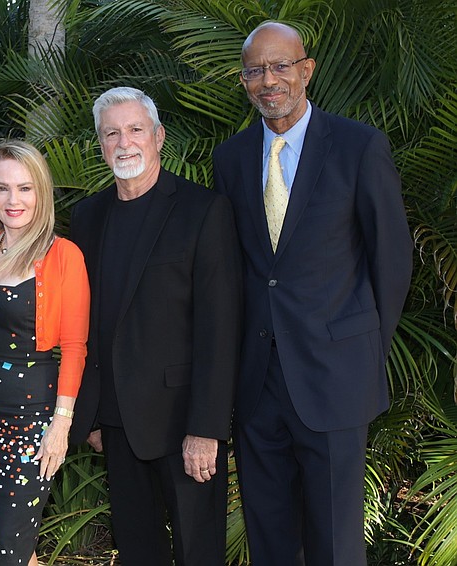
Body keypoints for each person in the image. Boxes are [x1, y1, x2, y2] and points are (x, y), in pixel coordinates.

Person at [212, 21, 413, 565]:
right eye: (256, 71)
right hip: (257, 384)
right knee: (270, 539)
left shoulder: (358, 146)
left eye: (281, 66)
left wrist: (361, 350)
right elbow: (234, 270)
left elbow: (392, 261)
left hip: (335, 377)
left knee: (334, 542)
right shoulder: (230, 159)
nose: (268, 80)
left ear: (307, 70)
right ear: (243, 81)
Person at [68, 87, 243, 565]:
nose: (124, 143)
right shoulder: (87, 217)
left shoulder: (202, 210)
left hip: (184, 425)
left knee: (198, 554)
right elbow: (87, 322)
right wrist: (93, 414)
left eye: (135, 129)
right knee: (138, 552)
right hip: (117, 424)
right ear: (101, 145)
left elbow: (220, 329)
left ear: (159, 136)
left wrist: (206, 428)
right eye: (112, 134)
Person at [0, 140, 90, 566]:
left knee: (9, 547)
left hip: (29, 421)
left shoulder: (63, 255)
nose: (14, 199)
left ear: (41, 193)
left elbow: (75, 347)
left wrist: (61, 424)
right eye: (3, 188)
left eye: (25, 188)